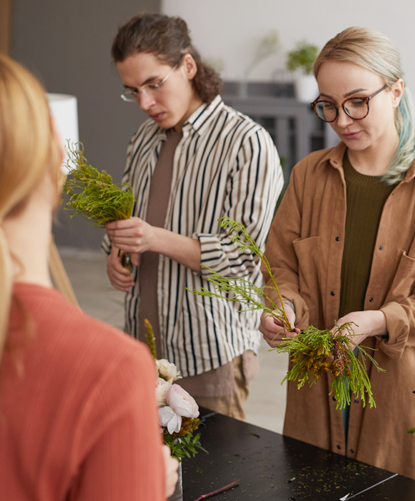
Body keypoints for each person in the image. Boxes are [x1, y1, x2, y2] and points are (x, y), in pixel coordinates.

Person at [259, 27, 415, 487]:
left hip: (397, 394)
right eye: (328, 105)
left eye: (357, 101)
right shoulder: (308, 177)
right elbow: (280, 268)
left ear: (395, 91)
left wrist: (375, 322)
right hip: (315, 386)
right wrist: (284, 307)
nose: (342, 119)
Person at [0, 54, 176, 500]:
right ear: (58, 159)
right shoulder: (105, 369)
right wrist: (149, 483)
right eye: (132, 90)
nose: (144, 102)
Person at [103, 13, 283, 420]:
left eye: (154, 84)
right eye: (133, 91)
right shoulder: (144, 138)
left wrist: (153, 239)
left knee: (214, 482)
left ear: (187, 66)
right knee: (154, 479)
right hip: (143, 353)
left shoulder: (246, 143)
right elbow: (124, 221)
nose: (145, 102)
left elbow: (242, 258)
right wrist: (117, 254)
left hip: (210, 356)